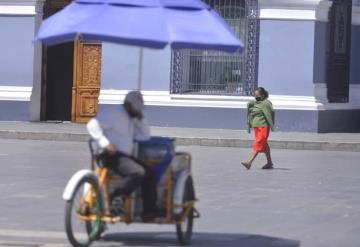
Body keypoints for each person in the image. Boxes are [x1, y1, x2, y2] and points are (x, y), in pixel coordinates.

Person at [86, 91, 158, 219]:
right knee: (138, 172)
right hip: (109, 155)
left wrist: (140, 119)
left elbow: (144, 136)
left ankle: (149, 211)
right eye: (136, 109)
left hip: (124, 156)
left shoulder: (131, 118)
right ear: (128, 105)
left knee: (150, 173)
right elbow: (92, 125)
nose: (137, 112)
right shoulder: (113, 113)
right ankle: (116, 197)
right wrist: (105, 143)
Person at [241, 87, 275, 170]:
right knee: (264, 145)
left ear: (263, 95)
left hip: (263, 127)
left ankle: (249, 162)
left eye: (258, 96)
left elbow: (270, 114)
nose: (256, 97)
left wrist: (271, 125)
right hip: (257, 127)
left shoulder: (266, 103)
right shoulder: (256, 103)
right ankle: (269, 163)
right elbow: (251, 108)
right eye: (255, 96)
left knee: (259, 143)